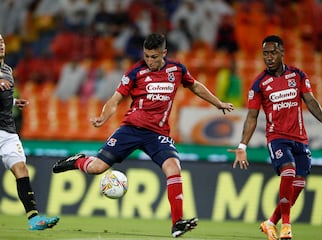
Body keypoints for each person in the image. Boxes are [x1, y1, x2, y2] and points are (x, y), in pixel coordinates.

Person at [52, 33, 234, 238]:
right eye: (146, 56)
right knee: (96, 168)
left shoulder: (177, 69)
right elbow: (115, 99)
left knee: (174, 167)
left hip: (157, 134)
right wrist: (104, 117)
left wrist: (218, 103)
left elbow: (196, 86)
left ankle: (177, 223)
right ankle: (78, 161)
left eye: (154, 57)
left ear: (164, 53)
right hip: (131, 129)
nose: (149, 60)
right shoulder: (135, 72)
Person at [228, 35, 322, 240]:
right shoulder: (259, 84)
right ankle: (287, 227)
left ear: (282, 52)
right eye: (265, 53)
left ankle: (271, 222)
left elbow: (311, 102)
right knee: (288, 171)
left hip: (300, 138)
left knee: (298, 184)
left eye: (273, 52)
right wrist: (242, 145)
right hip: (277, 138)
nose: (269, 57)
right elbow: (252, 117)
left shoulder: (298, 76)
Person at [0, 29, 59, 230]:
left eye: (2, 41)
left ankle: (34, 219)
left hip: (9, 130)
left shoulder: (8, 69)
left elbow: (0, 97)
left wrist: (14, 101)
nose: (0, 44)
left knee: (21, 169)